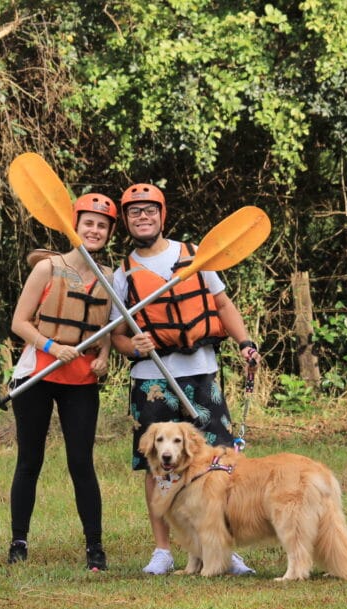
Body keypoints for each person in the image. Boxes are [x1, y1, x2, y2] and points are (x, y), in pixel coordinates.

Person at [109, 183, 263, 575]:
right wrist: (135, 346)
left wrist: (244, 343)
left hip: (201, 372)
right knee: (155, 465)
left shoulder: (196, 257)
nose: (142, 218)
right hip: (152, 378)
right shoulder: (122, 274)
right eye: (134, 213)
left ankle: (225, 547)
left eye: (149, 211)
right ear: (126, 221)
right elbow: (117, 337)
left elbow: (222, 305)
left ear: (162, 215)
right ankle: (163, 550)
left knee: (223, 461)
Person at [6, 192, 116, 571]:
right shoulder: (47, 269)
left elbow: (108, 327)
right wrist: (52, 346)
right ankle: (18, 542)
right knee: (29, 460)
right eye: (89, 223)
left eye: (102, 225)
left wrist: (103, 357)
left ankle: (95, 550)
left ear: (109, 233)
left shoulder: (110, 278)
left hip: (81, 379)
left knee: (81, 463)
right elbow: (19, 323)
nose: (95, 230)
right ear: (75, 226)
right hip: (37, 374)